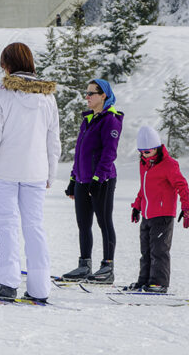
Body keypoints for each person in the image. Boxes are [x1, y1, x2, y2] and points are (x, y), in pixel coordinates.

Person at [0, 43, 60, 303]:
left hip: (5, 171)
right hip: (36, 172)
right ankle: (39, 287)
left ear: (8, 65)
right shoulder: (47, 96)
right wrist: (50, 174)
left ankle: (7, 282)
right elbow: (53, 139)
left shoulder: (1, 93)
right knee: (35, 227)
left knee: (8, 225)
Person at [63, 79, 123, 284]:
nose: (87, 97)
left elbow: (109, 153)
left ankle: (107, 267)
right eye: (86, 93)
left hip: (102, 181)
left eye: (91, 93)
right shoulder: (88, 119)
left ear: (103, 95)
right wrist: (73, 179)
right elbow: (80, 152)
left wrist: (98, 179)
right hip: (82, 180)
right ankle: (84, 265)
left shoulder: (110, 120)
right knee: (83, 224)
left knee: (104, 222)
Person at [129, 126, 189, 293]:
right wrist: (137, 205)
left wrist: (187, 208)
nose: (144, 155)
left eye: (148, 151)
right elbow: (143, 188)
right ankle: (144, 280)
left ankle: (159, 282)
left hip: (163, 215)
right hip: (147, 214)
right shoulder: (144, 163)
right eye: (141, 151)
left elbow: (182, 186)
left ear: (156, 148)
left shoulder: (169, 165)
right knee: (146, 251)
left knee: (159, 250)